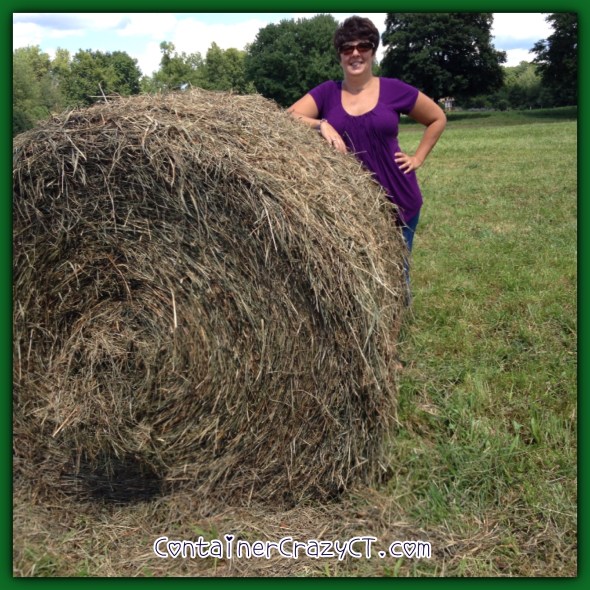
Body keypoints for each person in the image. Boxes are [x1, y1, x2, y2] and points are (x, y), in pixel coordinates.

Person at [287, 15, 446, 303]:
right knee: (360, 274)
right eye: (347, 48)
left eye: (363, 46)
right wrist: (321, 124)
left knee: (398, 271)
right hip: (351, 204)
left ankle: (397, 322)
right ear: (340, 55)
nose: (355, 53)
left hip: (399, 197)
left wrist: (418, 158)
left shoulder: (394, 89)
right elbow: (288, 117)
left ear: (373, 51)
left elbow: (437, 117)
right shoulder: (327, 92)